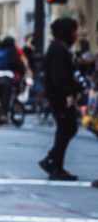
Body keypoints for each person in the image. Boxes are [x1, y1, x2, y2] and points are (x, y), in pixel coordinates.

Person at [39, 17, 80, 181]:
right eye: (74, 31)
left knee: (67, 128)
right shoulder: (58, 49)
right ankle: (54, 163)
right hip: (60, 97)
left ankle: (53, 161)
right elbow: (59, 76)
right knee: (67, 128)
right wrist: (68, 94)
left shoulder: (59, 48)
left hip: (59, 96)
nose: (76, 34)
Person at [0, 35, 24, 121]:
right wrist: (20, 72)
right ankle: (3, 115)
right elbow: (16, 63)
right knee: (6, 96)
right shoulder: (12, 50)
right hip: (7, 76)